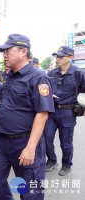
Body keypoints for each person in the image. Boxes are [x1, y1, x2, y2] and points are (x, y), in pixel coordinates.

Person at [0, 34, 54, 200]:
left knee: (30, 191)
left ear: (23, 51)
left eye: (8, 50)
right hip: (1, 140)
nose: (4, 54)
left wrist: (30, 148)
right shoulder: (8, 76)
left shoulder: (38, 77)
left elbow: (42, 114)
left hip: (24, 141)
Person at [44, 46, 85, 176]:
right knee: (46, 138)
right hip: (51, 111)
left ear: (70, 58)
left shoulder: (79, 73)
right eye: (57, 56)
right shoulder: (51, 73)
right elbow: (44, 90)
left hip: (67, 112)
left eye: (61, 56)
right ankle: (52, 160)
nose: (58, 59)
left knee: (66, 141)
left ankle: (67, 164)